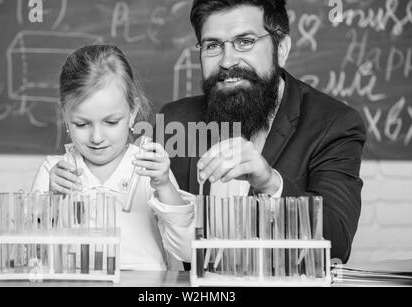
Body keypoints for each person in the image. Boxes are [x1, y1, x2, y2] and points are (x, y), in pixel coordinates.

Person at [160, 0, 366, 263]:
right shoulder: (175, 121)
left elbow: (337, 243)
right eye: (213, 46)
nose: (227, 61)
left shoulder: (335, 124)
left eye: (244, 42)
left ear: (281, 49)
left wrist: (270, 183)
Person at [31, 44, 194, 271]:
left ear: (133, 112)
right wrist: (52, 201)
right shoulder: (55, 172)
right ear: (64, 115)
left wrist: (164, 185)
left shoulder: (149, 170)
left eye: (110, 122)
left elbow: (186, 250)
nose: (97, 137)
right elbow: (30, 254)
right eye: (81, 124)